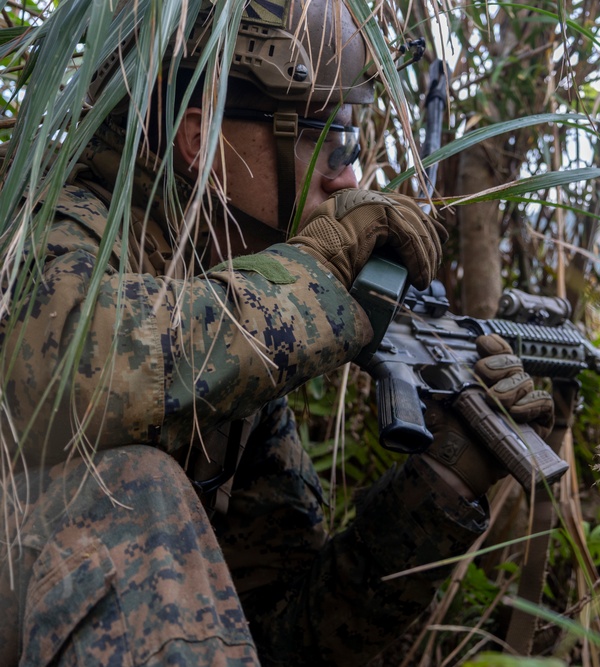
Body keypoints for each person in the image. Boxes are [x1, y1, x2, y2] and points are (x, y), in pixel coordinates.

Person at [0, 0, 554, 664]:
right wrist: (310, 280)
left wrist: (442, 484)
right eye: (328, 135)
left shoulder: (223, 291)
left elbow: (281, 634)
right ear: (199, 138)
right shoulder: (48, 223)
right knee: (134, 488)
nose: (346, 177)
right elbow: (69, 372)